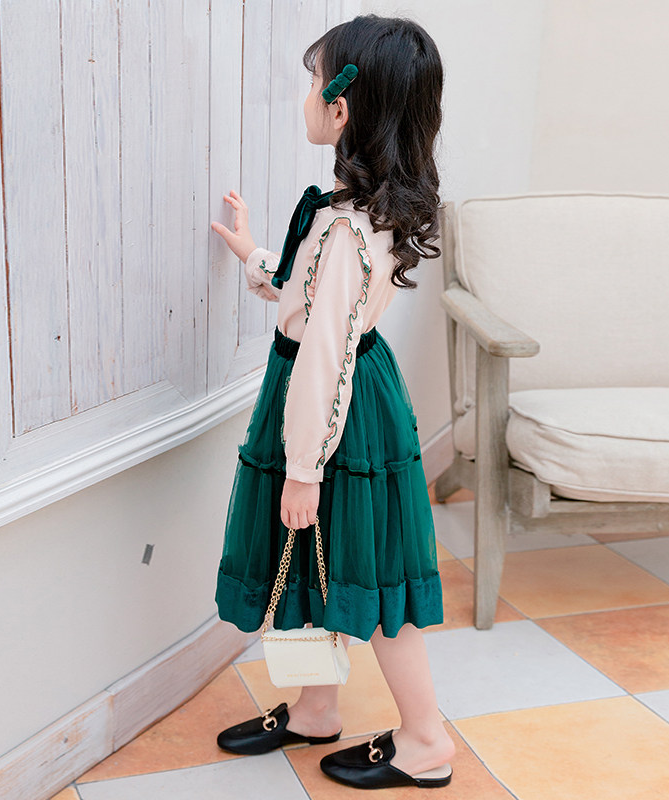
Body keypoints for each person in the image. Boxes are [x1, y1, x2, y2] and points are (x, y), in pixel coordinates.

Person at [210, 14, 454, 791]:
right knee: (321, 564)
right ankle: (317, 707)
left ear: (341, 107)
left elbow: (322, 352)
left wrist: (304, 468)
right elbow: (311, 300)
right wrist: (255, 255)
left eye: (314, 83)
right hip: (342, 398)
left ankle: (426, 741)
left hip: (329, 410)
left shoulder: (348, 228)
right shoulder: (357, 212)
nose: (307, 96)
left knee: (368, 574)